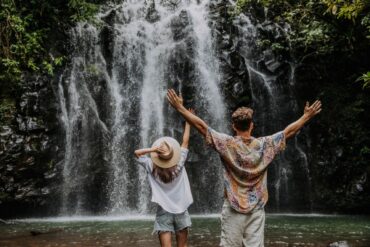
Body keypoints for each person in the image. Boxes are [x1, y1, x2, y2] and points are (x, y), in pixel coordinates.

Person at [166, 89, 322, 247]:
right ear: (252, 125)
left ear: (233, 126)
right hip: (256, 210)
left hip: (233, 207)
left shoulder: (226, 144)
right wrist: (306, 116)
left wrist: (180, 108)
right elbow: (289, 132)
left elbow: (202, 127)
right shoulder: (265, 145)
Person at [134, 110, 193, 247]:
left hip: (163, 211)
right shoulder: (179, 163)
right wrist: (188, 122)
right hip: (181, 210)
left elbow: (137, 153)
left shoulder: (150, 166)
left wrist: (152, 150)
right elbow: (185, 142)